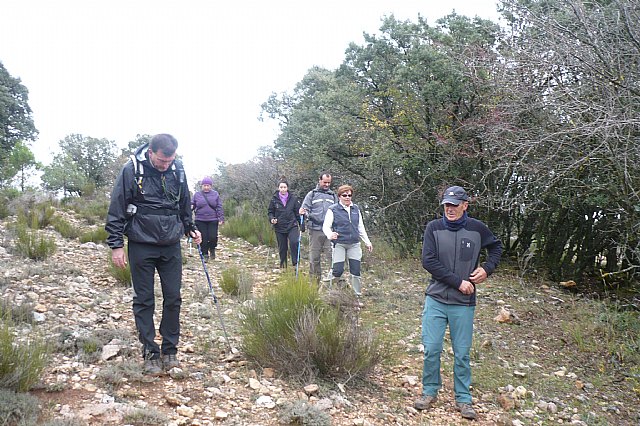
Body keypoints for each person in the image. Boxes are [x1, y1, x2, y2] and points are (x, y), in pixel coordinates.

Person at [105, 133, 202, 376]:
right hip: (141, 242)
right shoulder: (132, 170)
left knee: (173, 297)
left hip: (171, 243)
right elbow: (117, 207)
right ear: (151, 152)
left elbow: (184, 202)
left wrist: (190, 228)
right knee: (144, 299)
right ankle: (150, 352)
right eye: (161, 161)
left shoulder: (177, 170)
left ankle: (170, 351)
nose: (164, 165)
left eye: (169, 161)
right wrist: (116, 245)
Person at [415, 185, 502, 420]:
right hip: (436, 298)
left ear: (465, 205)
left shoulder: (477, 229)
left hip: (463, 303)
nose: (450, 209)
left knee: (462, 353)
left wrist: (487, 268)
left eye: (454, 205)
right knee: (431, 348)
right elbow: (428, 261)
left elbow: (496, 247)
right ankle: (429, 391)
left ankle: (463, 399)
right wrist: (457, 282)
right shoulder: (434, 228)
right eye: (446, 205)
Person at [323, 184, 373, 297]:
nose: (347, 197)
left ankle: (357, 296)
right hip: (339, 244)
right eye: (344, 195)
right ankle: (324, 290)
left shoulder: (356, 209)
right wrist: (330, 234)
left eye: (349, 195)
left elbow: (360, 227)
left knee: (355, 271)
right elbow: (326, 226)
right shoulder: (333, 210)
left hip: (354, 244)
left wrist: (367, 242)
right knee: (337, 271)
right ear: (339, 196)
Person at [299, 173, 338, 282]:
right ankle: (314, 283)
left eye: (329, 183)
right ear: (319, 181)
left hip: (329, 231)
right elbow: (304, 209)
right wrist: (303, 212)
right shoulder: (312, 194)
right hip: (315, 229)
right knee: (314, 257)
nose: (326, 185)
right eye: (325, 182)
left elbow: (338, 211)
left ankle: (335, 281)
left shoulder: (333, 195)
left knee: (332, 256)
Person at [267, 179, 304, 268]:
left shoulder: (293, 199)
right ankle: (283, 265)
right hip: (279, 226)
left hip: (292, 225)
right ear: (278, 188)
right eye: (281, 187)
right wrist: (272, 219)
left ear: (287, 188)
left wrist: (301, 224)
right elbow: (270, 212)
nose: (283, 189)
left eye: (285, 187)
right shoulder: (274, 199)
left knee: (294, 242)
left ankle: (296, 264)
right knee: (282, 247)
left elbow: (297, 212)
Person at [191, 176, 224, 261]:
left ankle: (212, 249)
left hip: (213, 219)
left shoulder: (215, 194)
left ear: (211, 186)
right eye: (204, 185)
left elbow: (219, 206)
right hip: (200, 220)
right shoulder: (197, 195)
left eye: (208, 185)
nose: (206, 187)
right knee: (203, 238)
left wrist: (221, 218)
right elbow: (192, 205)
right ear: (201, 186)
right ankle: (205, 254)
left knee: (213, 237)